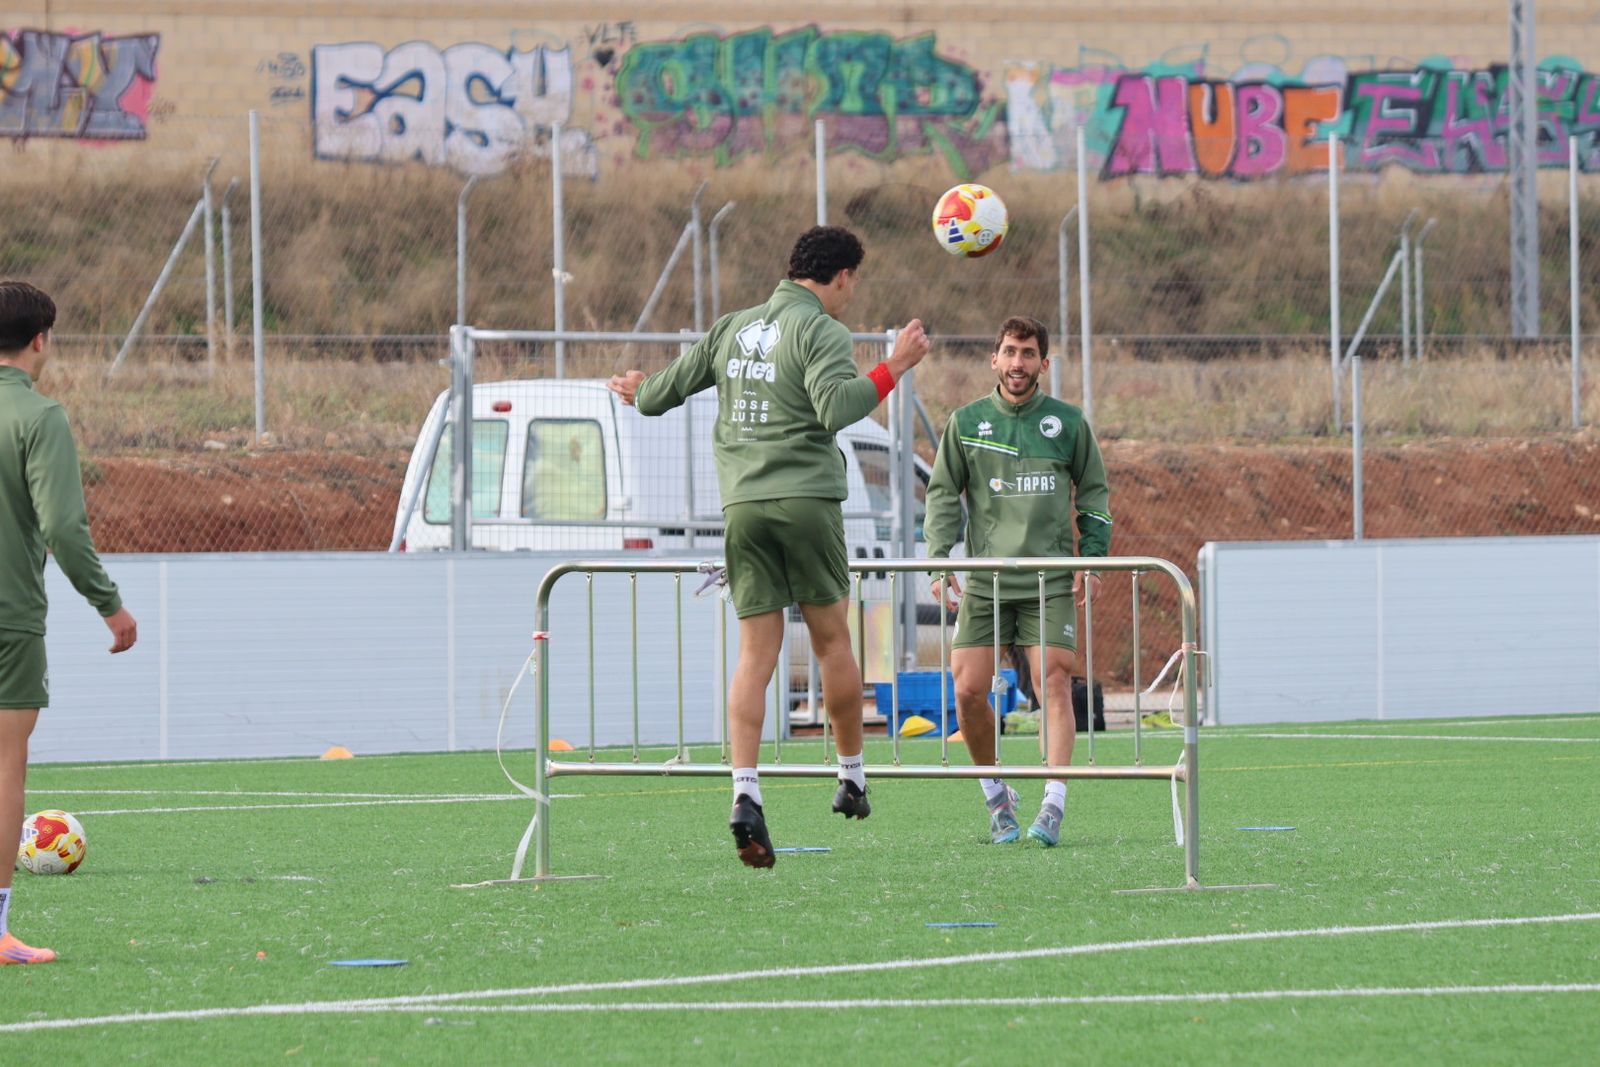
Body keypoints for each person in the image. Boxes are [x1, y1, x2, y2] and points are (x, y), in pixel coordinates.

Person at [608, 226, 929, 868]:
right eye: (854, 281)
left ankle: (745, 792)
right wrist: (895, 364)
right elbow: (837, 406)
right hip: (806, 500)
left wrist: (636, 389)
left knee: (756, 653)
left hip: (744, 506)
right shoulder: (822, 331)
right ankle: (851, 776)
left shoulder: (732, 327)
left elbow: (656, 397)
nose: (853, 293)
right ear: (840, 277)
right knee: (833, 638)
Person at [923, 315, 1110, 847]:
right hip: (987, 581)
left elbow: (1094, 493)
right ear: (994, 359)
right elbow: (941, 495)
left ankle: (1053, 801)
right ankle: (996, 795)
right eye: (1009, 351)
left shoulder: (1069, 423)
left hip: (1050, 579)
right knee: (966, 690)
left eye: (1028, 353)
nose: (1018, 363)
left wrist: (1092, 558)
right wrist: (940, 559)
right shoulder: (966, 422)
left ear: (1044, 364)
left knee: (1053, 680)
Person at [0, 281, 137, 964]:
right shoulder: (40, 415)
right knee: (4, 762)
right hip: (7, 617)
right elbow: (61, 525)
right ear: (41, 340)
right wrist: (108, 604)